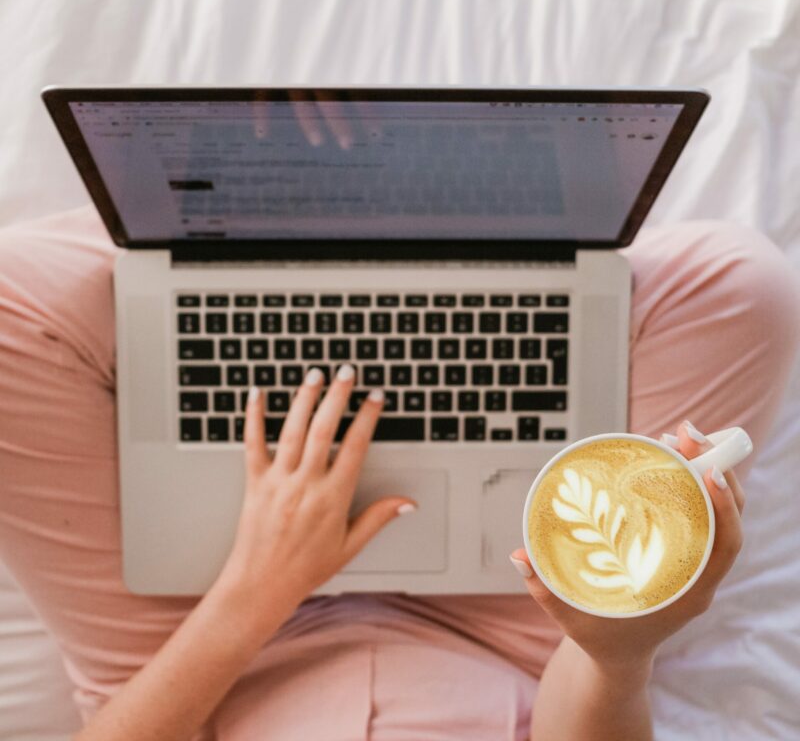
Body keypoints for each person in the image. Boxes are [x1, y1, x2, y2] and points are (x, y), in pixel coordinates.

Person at [0, 205, 799, 741]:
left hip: (202, 655)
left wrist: (257, 588)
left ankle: (264, 216)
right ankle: (454, 224)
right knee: (741, 282)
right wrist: (616, 652)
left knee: (10, 297)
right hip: (516, 646)